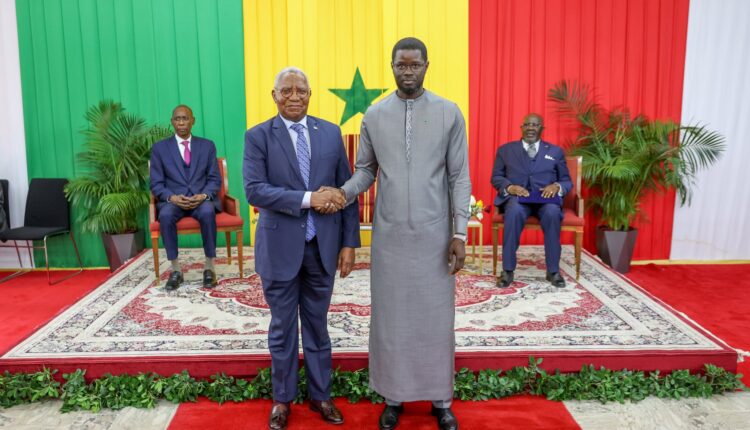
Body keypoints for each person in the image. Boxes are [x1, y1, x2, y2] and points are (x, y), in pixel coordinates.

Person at [338, 37, 470, 430]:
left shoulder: (448, 112)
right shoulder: (375, 115)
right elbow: (365, 171)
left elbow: (459, 176)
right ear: (392, 66)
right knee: (391, 319)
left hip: (435, 236)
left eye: (414, 65)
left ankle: (441, 400)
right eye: (401, 65)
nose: (407, 71)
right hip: (390, 238)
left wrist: (459, 232)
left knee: (435, 319)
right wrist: (341, 194)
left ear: (427, 66)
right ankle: (393, 398)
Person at [243, 67, 360, 430]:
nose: (294, 96)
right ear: (274, 95)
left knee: (318, 325)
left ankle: (321, 396)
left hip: (322, 248)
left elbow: (346, 192)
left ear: (310, 94)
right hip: (279, 248)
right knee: (282, 328)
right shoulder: (258, 136)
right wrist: (309, 199)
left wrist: (349, 243)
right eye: (287, 90)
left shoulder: (330, 132)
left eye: (301, 91)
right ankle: (282, 399)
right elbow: (255, 190)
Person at [491, 113, 572, 289]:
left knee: (552, 213)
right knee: (513, 212)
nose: (530, 128)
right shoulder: (505, 150)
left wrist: (556, 186)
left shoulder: (555, 151)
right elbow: (496, 177)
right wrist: (510, 187)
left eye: (535, 125)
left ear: (542, 128)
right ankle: (507, 271)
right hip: (518, 199)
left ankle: (553, 271)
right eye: (527, 124)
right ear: (521, 128)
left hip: (546, 200)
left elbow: (566, 180)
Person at [150, 105, 221, 290]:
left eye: (185, 118)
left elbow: (214, 179)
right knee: (165, 216)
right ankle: (176, 270)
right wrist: (172, 198)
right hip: (174, 201)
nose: (181, 123)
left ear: (193, 121)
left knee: (208, 212)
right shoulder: (160, 148)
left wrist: (203, 195)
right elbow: (156, 184)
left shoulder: (207, 146)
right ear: (172, 122)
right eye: (177, 119)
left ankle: (209, 267)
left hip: (200, 200)